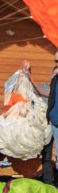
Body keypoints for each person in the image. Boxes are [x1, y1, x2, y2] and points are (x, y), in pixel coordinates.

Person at [43, 54, 58, 186]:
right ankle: (51, 184)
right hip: (52, 124)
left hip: (54, 121)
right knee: (52, 156)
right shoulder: (50, 84)